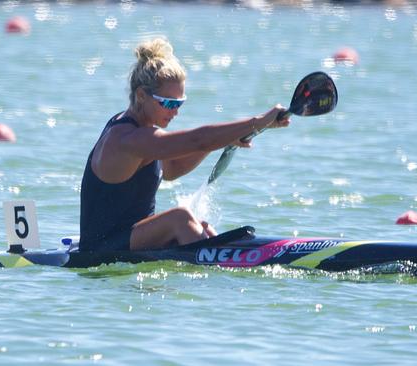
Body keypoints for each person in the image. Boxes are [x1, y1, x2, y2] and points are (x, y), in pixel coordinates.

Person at [79, 38, 289, 252]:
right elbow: (198, 140)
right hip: (100, 248)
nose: (175, 111)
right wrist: (258, 121)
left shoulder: (147, 137)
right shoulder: (127, 138)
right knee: (180, 218)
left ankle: (234, 261)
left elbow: (171, 169)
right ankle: (222, 266)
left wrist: (228, 138)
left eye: (179, 103)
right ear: (141, 95)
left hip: (129, 240)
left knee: (199, 226)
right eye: (169, 103)